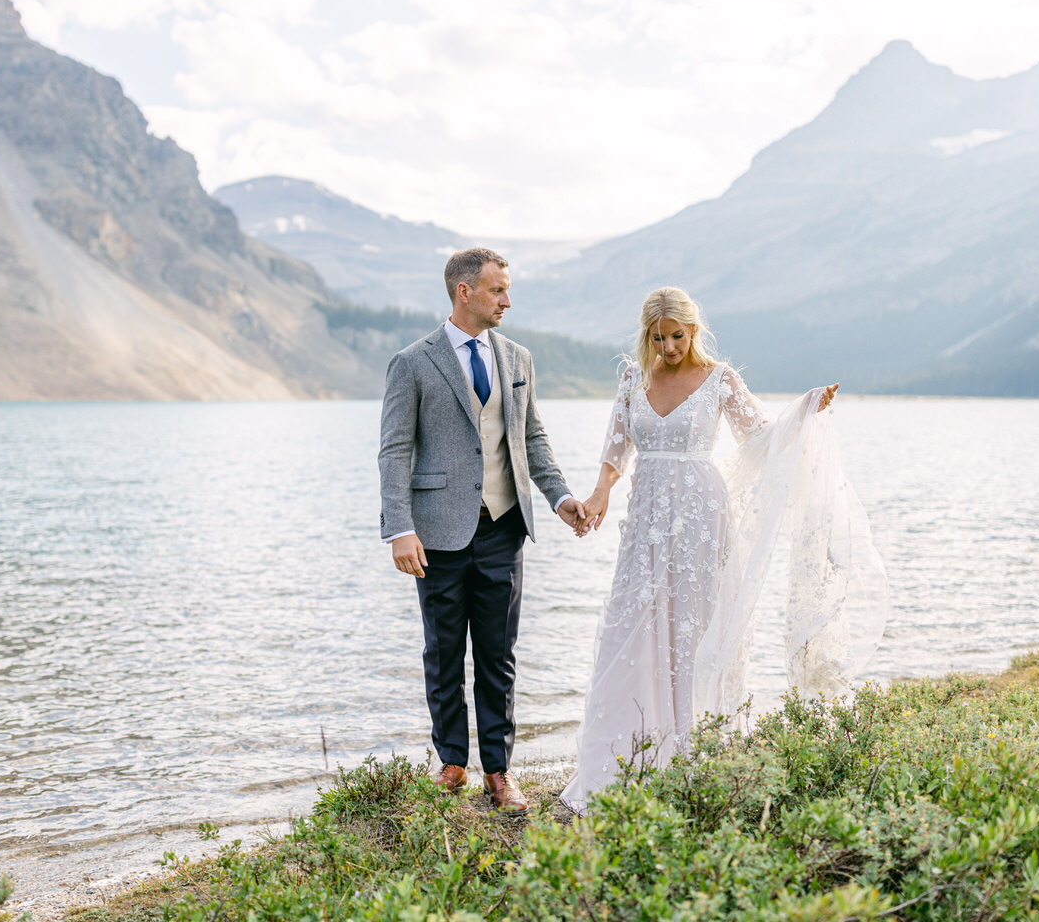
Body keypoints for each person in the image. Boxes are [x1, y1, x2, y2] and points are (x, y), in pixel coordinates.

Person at [561, 286, 888, 814]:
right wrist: (599, 494)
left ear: (694, 330)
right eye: (658, 337)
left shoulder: (720, 380)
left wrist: (804, 410)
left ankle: (695, 755)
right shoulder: (632, 380)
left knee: (695, 628)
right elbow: (615, 448)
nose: (668, 347)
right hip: (644, 520)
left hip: (700, 520)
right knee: (633, 626)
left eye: (677, 336)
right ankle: (630, 757)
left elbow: (761, 438)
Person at [379, 247, 585, 815]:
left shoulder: (518, 358)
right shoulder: (413, 361)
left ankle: (498, 772)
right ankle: (451, 764)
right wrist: (398, 527)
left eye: (507, 289)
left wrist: (561, 497)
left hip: (504, 527)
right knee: (443, 653)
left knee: (498, 655)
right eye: (497, 290)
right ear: (464, 292)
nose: (507, 300)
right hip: (437, 533)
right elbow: (395, 449)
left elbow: (532, 439)